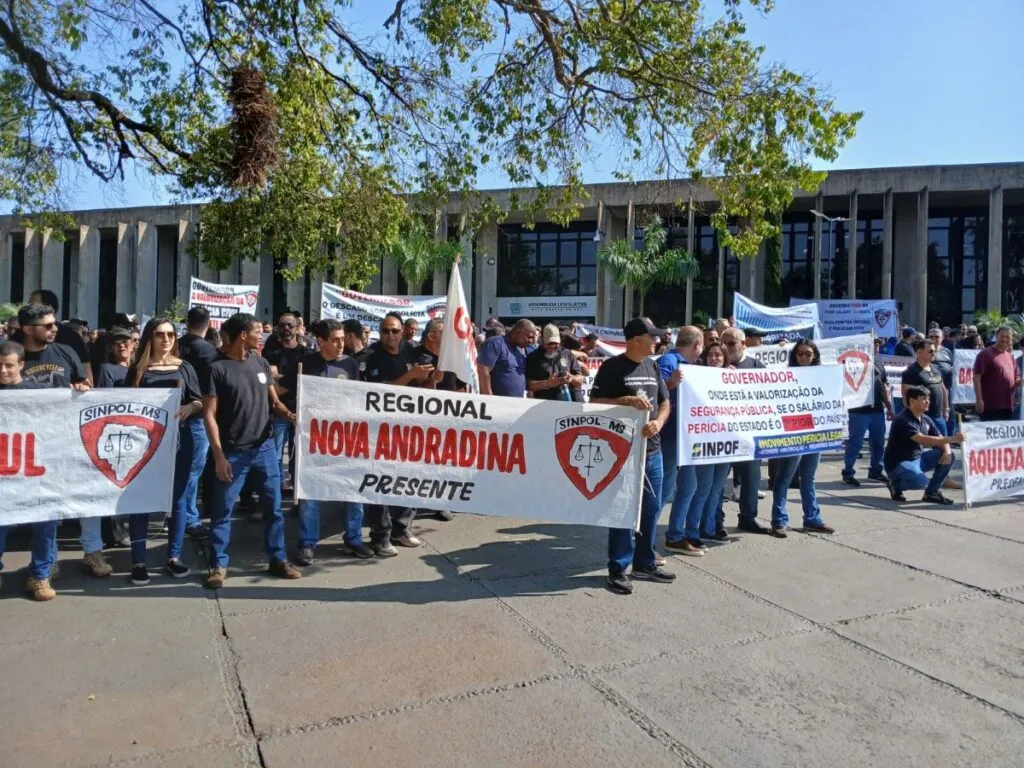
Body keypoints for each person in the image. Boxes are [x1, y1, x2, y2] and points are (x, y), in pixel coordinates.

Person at [203, 312, 302, 589]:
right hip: (233, 454)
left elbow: (274, 402)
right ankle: (219, 565)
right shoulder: (217, 369)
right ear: (243, 335)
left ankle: (278, 559)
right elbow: (209, 415)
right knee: (222, 512)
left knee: (274, 509)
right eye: (258, 332)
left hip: (265, 449)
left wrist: (290, 414)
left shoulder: (260, 362)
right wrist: (219, 456)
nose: (262, 336)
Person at [19, 303, 110, 578]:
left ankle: (93, 552)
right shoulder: (13, 354)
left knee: (87, 493)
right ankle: (49, 560)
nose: (54, 329)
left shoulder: (66, 352)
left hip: (69, 437)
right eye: (47, 326)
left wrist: (83, 387)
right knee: (45, 503)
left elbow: (84, 383)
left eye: (54, 323)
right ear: (26, 328)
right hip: (33, 442)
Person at [590, 317, 676, 595]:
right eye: (652, 337)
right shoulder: (612, 367)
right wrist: (624, 401)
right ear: (636, 339)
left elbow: (665, 402)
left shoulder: (652, 365)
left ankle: (645, 562)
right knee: (623, 511)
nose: (657, 341)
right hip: (622, 453)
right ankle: (618, 568)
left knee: (651, 509)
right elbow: (593, 403)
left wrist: (659, 422)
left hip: (652, 451)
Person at [124, 318, 204, 585]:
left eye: (170, 334)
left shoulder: (185, 367)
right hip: (144, 443)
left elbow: (199, 400)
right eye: (160, 334)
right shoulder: (138, 369)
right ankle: (138, 561)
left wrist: (190, 409)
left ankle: (174, 557)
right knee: (142, 499)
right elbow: (124, 406)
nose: (166, 339)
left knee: (178, 499)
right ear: (150, 337)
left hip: (180, 439)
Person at [290, 319, 372, 564]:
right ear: (321, 341)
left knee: (353, 490)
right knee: (310, 495)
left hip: (347, 439)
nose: (340, 344)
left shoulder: (350, 364)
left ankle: (354, 538)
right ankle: (307, 543)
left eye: (342, 338)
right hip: (314, 441)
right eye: (334, 340)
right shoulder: (305, 365)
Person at [361, 312, 435, 555]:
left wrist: (432, 380)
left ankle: (402, 527)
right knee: (380, 480)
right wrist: (410, 375)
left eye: (395, 331)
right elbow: (376, 391)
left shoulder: (413, 352)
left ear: (403, 331)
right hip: (380, 429)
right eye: (385, 331)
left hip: (410, 427)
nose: (390, 335)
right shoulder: (370, 356)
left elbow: (424, 387)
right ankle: (380, 535)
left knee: (410, 476)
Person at [0, 340, 59, 601]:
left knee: (45, 524)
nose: (3, 371)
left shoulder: (38, 394)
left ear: (21, 365)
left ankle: (40, 576)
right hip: (4, 472)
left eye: (8, 366)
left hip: (34, 471)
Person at [769, 340, 835, 537]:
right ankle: (779, 520)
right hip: (794, 429)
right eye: (800, 354)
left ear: (814, 355)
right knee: (785, 477)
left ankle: (812, 518)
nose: (804, 357)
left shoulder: (822, 375)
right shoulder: (786, 375)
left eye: (808, 354)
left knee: (809, 477)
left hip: (816, 430)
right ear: (794, 356)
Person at [657, 326, 705, 555]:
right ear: (697, 344)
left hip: (688, 438)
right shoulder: (668, 361)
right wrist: (671, 383)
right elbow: (653, 392)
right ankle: (642, 541)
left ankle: (675, 536)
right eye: (702, 344)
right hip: (670, 436)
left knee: (688, 486)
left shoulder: (693, 367)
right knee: (665, 489)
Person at [720, 327, 769, 533]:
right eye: (724, 343)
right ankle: (715, 520)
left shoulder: (757, 367)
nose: (726, 348)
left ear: (744, 345)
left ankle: (748, 517)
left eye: (731, 344)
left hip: (748, 434)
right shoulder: (713, 365)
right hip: (719, 434)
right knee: (718, 481)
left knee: (751, 478)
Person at [176, 307, 219, 538]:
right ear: (208, 323)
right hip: (197, 414)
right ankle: (189, 518)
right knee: (193, 470)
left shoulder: (176, 345)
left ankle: (177, 513)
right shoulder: (207, 350)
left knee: (183, 470)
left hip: (177, 413)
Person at [884, 385, 963, 505]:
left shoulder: (925, 419)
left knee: (950, 454)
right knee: (920, 482)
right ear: (912, 401)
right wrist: (953, 439)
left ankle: (932, 493)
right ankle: (894, 484)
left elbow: (940, 437)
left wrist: (946, 451)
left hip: (918, 459)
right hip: (898, 464)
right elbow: (924, 439)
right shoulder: (903, 420)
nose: (928, 402)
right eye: (924, 399)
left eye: (929, 399)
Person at [689, 341, 733, 543]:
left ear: (725, 359)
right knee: (703, 487)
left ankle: (709, 527)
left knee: (717, 488)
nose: (714, 359)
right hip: (704, 441)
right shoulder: (695, 376)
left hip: (726, 441)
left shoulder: (733, 377)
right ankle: (692, 530)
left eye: (718, 355)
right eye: (710, 355)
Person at [12, 289, 93, 383]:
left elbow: (86, 381)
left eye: (33, 303)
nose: (55, 329)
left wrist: (80, 388)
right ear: (28, 329)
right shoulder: (13, 345)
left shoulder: (69, 346)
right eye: (48, 326)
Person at [263, 313, 305, 490]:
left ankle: (297, 484)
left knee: (299, 453)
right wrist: (295, 378)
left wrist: (283, 379)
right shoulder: (271, 352)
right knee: (277, 452)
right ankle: (278, 485)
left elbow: (304, 379)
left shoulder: (305, 353)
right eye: (282, 325)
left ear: (297, 328)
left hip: (300, 409)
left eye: (290, 325)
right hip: (279, 409)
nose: (286, 328)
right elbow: (272, 378)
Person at [842, 349, 894, 487]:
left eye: (878, 342)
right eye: (873, 341)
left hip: (877, 409)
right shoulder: (853, 359)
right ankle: (848, 472)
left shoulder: (878, 359)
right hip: (858, 410)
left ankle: (876, 470)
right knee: (855, 443)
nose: (876, 344)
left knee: (878, 442)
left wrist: (888, 406)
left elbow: (883, 384)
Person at [525, 324, 585, 402]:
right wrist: (547, 383)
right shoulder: (533, 357)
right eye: (549, 343)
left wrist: (571, 378)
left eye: (555, 343)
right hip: (547, 406)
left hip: (572, 403)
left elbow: (580, 380)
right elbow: (529, 385)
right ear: (542, 339)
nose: (552, 346)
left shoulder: (567, 353)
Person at [901, 338, 950, 435]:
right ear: (920, 352)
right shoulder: (911, 371)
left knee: (943, 444)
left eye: (935, 351)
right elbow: (906, 395)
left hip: (938, 416)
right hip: (922, 417)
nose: (934, 353)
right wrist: (913, 418)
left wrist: (946, 408)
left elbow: (943, 388)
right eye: (930, 351)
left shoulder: (936, 368)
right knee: (923, 446)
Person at [973, 326, 1021, 421]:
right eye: (1002, 336)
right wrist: (979, 399)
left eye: (1008, 337)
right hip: (990, 407)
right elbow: (976, 377)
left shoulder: (1010, 356)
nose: (1004, 339)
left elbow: (1017, 379)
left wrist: (1021, 381)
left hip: (1008, 406)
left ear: (1012, 339)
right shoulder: (985, 354)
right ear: (996, 336)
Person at [478, 318, 534, 398]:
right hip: (497, 405)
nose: (531, 341)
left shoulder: (521, 349)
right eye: (529, 337)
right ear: (518, 330)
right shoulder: (496, 343)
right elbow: (483, 370)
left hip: (516, 405)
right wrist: (488, 399)